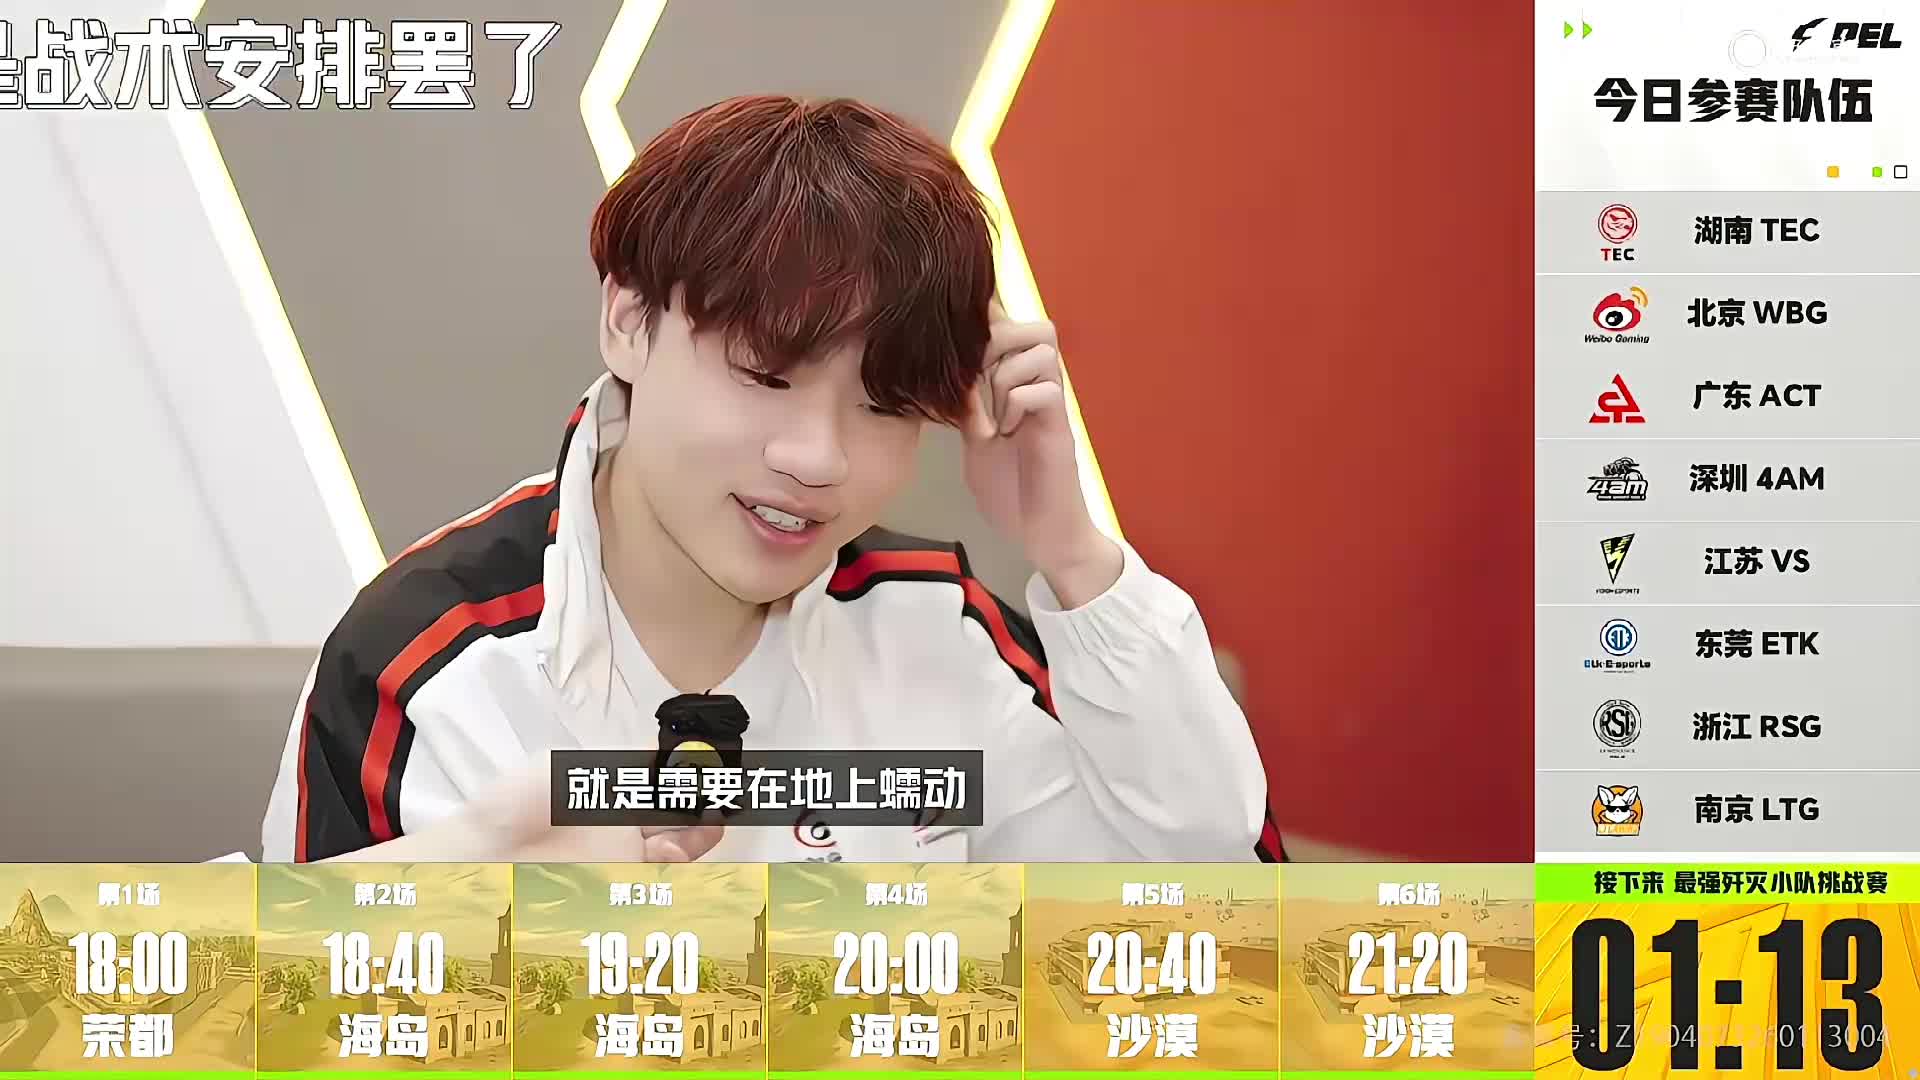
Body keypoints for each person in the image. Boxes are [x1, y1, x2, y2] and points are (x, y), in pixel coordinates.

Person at [260, 94, 1284, 864]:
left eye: (883, 404)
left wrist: (1072, 553)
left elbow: (1215, 914)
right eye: (764, 375)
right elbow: (294, 1025)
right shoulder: (430, 670)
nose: (819, 458)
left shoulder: (935, 625)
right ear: (628, 320)